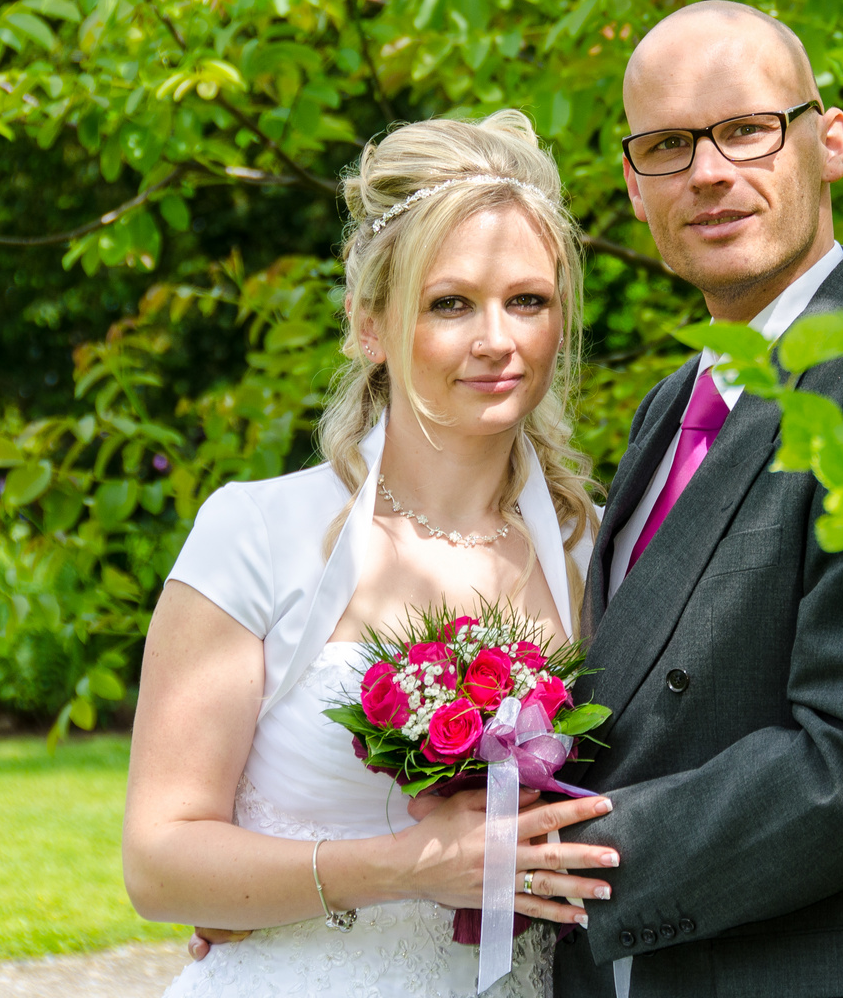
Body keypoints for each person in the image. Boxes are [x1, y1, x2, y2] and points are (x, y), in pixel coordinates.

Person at [549, 1, 843, 998]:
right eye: (669, 145)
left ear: (830, 141)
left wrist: (557, 866)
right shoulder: (673, 406)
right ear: (634, 186)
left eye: (748, 129)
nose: (710, 172)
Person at [125, 111, 620, 998]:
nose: (497, 339)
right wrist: (402, 866)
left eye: (529, 301)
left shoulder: (602, 550)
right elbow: (160, 864)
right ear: (368, 325)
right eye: (450, 303)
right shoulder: (257, 535)